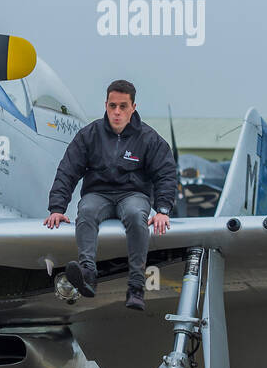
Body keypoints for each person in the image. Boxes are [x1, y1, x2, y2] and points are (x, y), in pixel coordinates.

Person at [44, 79, 178, 312]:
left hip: (133, 195)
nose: (117, 112)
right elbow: (68, 170)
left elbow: (166, 174)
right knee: (85, 211)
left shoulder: (149, 139)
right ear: (105, 105)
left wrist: (163, 210)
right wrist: (57, 208)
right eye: (112, 106)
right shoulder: (89, 135)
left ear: (133, 107)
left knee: (137, 216)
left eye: (123, 106)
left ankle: (136, 284)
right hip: (99, 194)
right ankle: (87, 274)